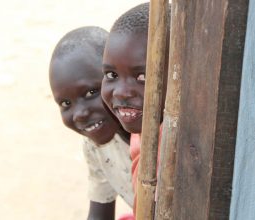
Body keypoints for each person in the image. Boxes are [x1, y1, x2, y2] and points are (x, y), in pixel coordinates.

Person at [49, 26, 134, 220]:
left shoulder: (160, 134)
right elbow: (100, 214)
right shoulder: (95, 147)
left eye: (90, 93)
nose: (80, 114)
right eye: (65, 103)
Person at [101, 3, 170, 216]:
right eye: (111, 75)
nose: (121, 92)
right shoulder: (144, 128)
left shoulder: (169, 156)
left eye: (143, 77)